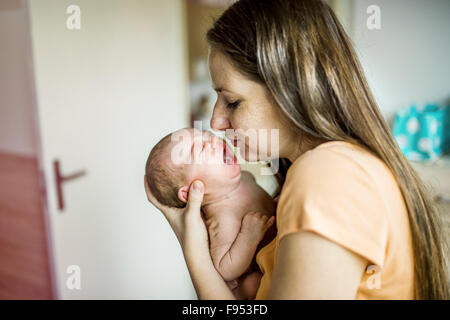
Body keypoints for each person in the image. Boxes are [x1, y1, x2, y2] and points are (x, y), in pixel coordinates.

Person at [145, 0, 449, 299]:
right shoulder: (315, 173)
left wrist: (193, 248)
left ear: (289, 89)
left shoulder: (327, 174)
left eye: (232, 101)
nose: (216, 121)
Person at [145, 128, 276, 299]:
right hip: (255, 277)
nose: (214, 141)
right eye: (199, 149)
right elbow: (225, 268)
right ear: (189, 192)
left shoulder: (245, 177)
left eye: (206, 135)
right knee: (252, 284)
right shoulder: (223, 217)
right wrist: (248, 236)